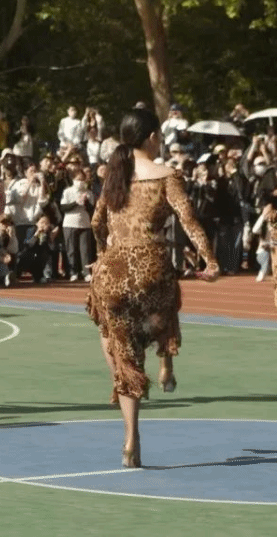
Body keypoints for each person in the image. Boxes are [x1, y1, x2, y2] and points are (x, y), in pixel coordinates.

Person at [88, 109, 217, 468]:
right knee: (166, 305)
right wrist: (210, 260)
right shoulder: (166, 175)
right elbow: (188, 220)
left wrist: (101, 254)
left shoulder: (114, 175)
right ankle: (166, 364)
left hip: (114, 268)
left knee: (117, 342)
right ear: (151, 138)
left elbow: (97, 222)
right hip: (151, 265)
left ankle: (131, 437)